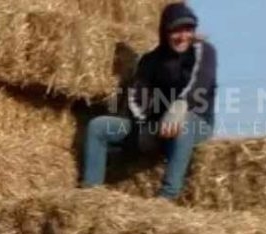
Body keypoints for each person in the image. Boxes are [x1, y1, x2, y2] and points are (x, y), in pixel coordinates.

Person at [81, 2, 217, 200]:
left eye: (187, 29)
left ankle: (167, 197)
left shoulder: (204, 50)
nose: (182, 36)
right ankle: (90, 194)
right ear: (164, 31)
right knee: (98, 126)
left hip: (197, 121)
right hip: (155, 127)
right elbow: (137, 97)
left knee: (184, 123)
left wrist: (179, 106)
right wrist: (145, 128)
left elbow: (200, 81)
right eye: (175, 30)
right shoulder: (150, 60)